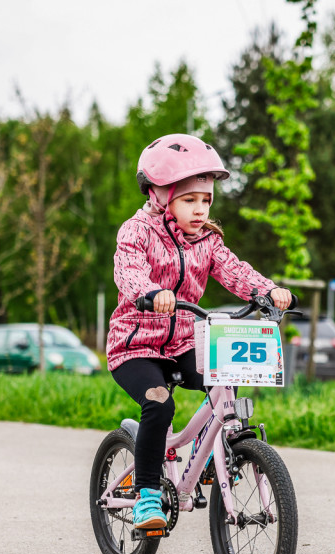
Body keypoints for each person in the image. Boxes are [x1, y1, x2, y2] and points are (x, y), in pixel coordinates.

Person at [108, 133, 293, 530]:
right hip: (135, 345)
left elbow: (234, 271)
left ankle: (215, 453)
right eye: (189, 199)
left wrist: (268, 291)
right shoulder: (137, 232)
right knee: (159, 403)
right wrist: (149, 292)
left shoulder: (207, 240)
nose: (199, 209)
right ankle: (145, 497)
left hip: (182, 341)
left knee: (227, 376)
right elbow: (128, 270)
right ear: (161, 196)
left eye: (206, 200)